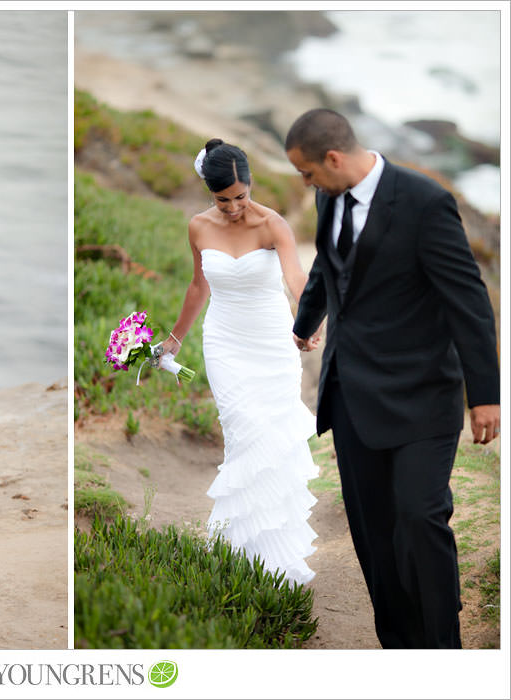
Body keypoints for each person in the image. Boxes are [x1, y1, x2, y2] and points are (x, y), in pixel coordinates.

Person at [285, 108, 500, 648]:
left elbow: (468, 301)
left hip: (422, 394)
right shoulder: (328, 196)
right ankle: (401, 649)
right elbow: (329, 270)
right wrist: (304, 324)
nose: (305, 184)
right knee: (374, 533)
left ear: (333, 158)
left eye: (307, 172)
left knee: (419, 517)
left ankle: (441, 646)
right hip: (352, 393)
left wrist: (487, 396)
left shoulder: (424, 202)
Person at [160, 139, 319, 585]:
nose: (233, 207)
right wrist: (174, 340)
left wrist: (307, 322)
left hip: (271, 342)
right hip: (225, 342)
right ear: (210, 193)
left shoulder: (273, 225)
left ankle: (275, 557)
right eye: (223, 199)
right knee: (242, 433)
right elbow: (198, 287)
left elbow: (296, 278)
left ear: (250, 185)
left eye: (240, 197)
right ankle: (239, 548)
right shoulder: (198, 227)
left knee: (272, 440)